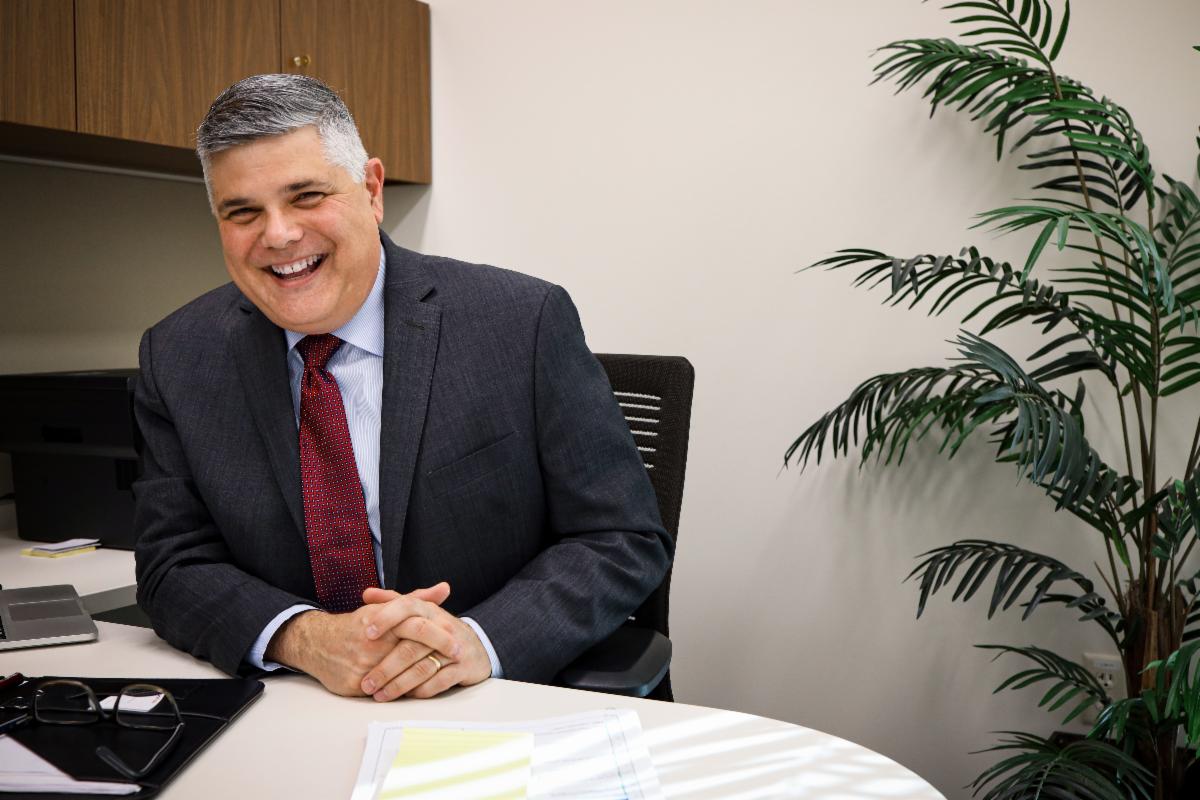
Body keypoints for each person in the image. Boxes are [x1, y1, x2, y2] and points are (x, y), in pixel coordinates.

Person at [132, 74, 671, 702]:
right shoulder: (179, 355)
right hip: (300, 703)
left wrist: (478, 640)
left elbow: (621, 537)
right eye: (242, 211)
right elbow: (172, 566)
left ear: (371, 188)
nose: (277, 235)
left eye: (306, 195)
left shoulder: (521, 322)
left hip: (503, 700)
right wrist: (304, 637)